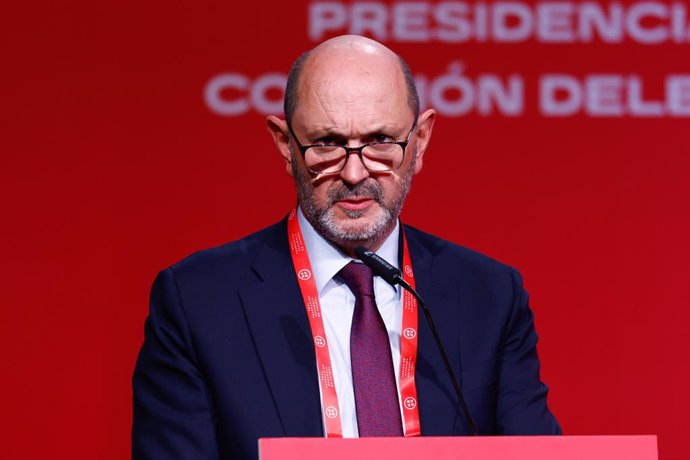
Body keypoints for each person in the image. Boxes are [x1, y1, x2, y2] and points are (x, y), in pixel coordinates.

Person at [132, 35, 561, 459]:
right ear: (285, 145)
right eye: (327, 144)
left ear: (421, 140)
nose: (355, 173)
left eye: (380, 142)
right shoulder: (198, 301)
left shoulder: (489, 295)